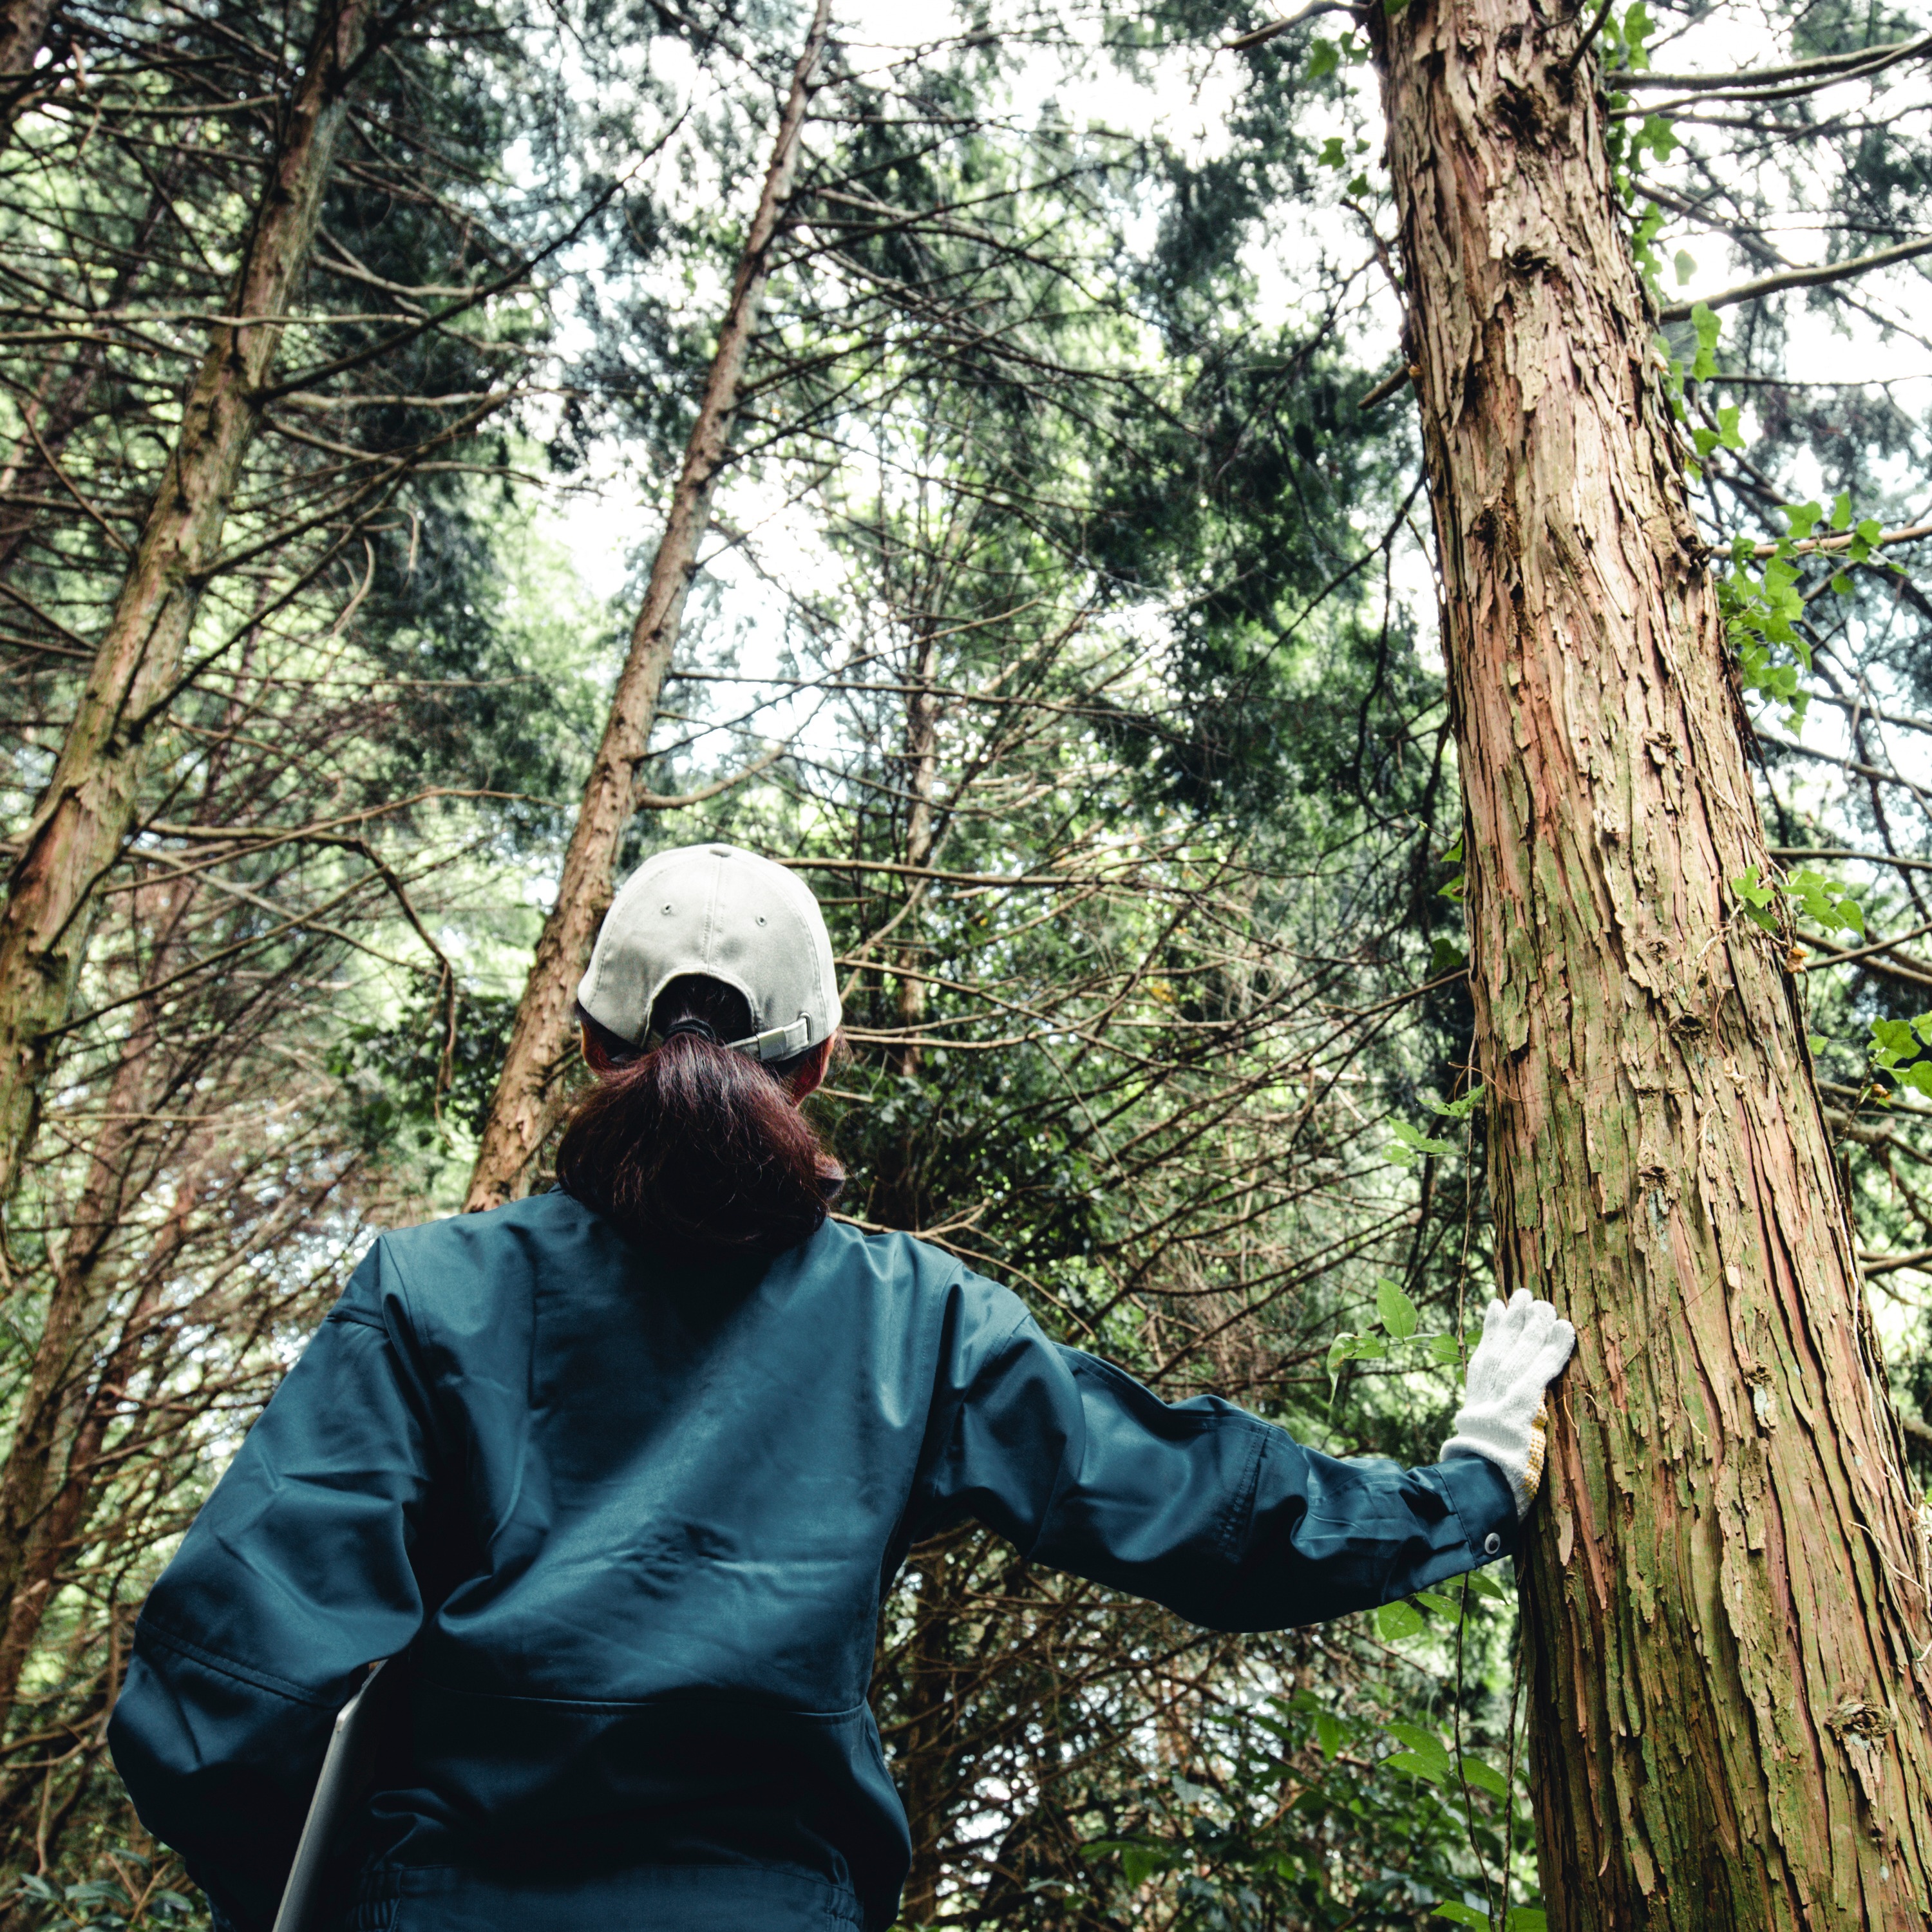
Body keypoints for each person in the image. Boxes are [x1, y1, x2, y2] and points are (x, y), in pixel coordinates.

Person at [109, 842, 1577, 1932]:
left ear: (592, 1048)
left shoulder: (432, 1290)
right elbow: (1197, 1508)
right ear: (820, 1058)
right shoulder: (915, 1321)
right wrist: (1471, 1484)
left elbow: (216, 1691)